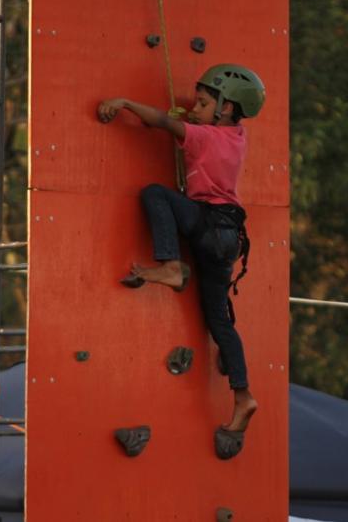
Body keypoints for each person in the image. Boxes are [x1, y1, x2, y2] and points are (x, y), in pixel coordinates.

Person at [96, 64, 265, 460]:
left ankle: (171, 265)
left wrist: (124, 102)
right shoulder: (236, 136)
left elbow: (159, 121)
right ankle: (243, 397)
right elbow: (186, 127)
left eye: (203, 104)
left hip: (208, 224)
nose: (194, 109)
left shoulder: (204, 136)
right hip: (229, 238)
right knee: (220, 322)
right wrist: (194, 118)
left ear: (225, 109)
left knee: (155, 194)